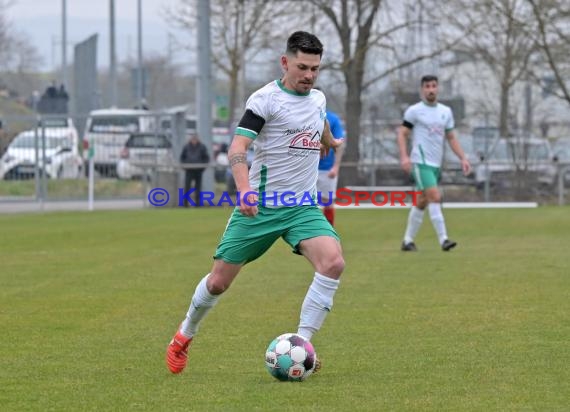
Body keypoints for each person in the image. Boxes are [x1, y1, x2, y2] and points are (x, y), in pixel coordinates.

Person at [166, 31, 345, 375]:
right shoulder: (264, 101)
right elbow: (237, 149)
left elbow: (316, 116)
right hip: (260, 205)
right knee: (218, 282)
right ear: (285, 62)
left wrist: (328, 139)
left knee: (333, 263)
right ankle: (184, 335)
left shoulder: (318, 98)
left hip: (302, 207)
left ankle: (302, 345)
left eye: (315, 69)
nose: (309, 75)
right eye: (302, 67)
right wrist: (245, 190)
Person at [397, 75, 471, 252]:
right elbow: (402, 134)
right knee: (435, 196)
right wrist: (404, 157)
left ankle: (407, 241)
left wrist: (463, 158)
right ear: (422, 89)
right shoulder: (414, 111)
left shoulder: (445, 111)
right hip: (420, 162)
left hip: (436, 164)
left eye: (434, 86)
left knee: (422, 201)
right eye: (427, 86)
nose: (431, 89)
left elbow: (451, 137)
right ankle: (444, 239)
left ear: (438, 88)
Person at [316, 102, 345, 226]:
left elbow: (339, 142)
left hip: (326, 170)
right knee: (305, 202)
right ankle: (310, 233)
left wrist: (336, 166)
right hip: (306, 169)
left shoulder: (332, 119)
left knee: (327, 202)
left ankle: (328, 231)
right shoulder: (300, 117)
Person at [180, 134, 210, 207]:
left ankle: (198, 204)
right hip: (189, 170)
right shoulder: (186, 147)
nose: (194, 141)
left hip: (198, 171)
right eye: (193, 139)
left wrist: (202, 167)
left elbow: (206, 158)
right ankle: (185, 204)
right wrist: (185, 166)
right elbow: (182, 158)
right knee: (187, 187)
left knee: (198, 188)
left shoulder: (202, 147)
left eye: (195, 139)